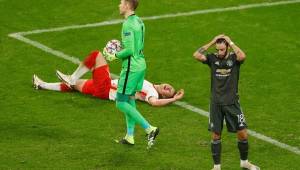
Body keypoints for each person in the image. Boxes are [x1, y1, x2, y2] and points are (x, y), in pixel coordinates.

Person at [193, 34, 260, 170]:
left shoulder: (234, 58)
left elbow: (243, 56)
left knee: (242, 133)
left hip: (232, 103)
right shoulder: (212, 59)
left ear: (228, 48)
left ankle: (244, 162)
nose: (219, 52)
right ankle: (216, 167)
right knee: (216, 135)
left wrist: (231, 42)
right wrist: (212, 42)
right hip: (216, 103)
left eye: (222, 49)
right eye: (218, 49)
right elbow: (196, 55)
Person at [102, 0, 160, 148]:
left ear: (127, 5)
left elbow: (129, 49)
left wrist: (113, 56)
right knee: (130, 98)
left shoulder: (127, 24)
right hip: (141, 65)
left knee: (120, 102)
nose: (119, 5)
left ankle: (149, 128)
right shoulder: (139, 21)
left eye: (121, 2)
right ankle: (129, 136)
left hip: (131, 68)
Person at [32, 50, 184, 107]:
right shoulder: (151, 84)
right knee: (75, 86)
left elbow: (155, 103)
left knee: (97, 56)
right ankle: (42, 84)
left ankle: (71, 78)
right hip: (105, 88)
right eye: (170, 87)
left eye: (169, 92)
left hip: (106, 89)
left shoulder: (153, 92)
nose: (169, 88)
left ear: (164, 95)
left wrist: (173, 100)